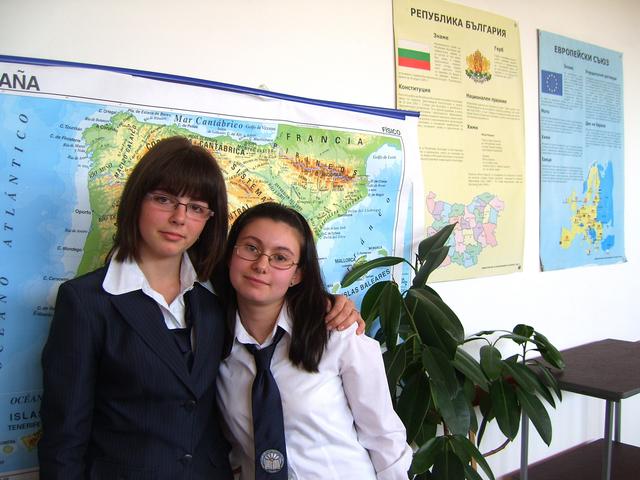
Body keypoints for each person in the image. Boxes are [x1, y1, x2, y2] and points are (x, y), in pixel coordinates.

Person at [38, 136, 362, 480]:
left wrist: (331, 305)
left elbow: (274, 292)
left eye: (196, 207)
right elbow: (64, 440)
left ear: (209, 218)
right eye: (164, 199)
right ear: (137, 200)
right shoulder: (87, 302)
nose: (179, 218)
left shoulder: (213, 300)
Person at [216, 202, 413, 480]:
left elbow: (383, 435)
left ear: (297, 274)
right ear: (230, 255)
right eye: (251, 248)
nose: (261, 265)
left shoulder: (337, 332)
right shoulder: (213, 344)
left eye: (280, 257)